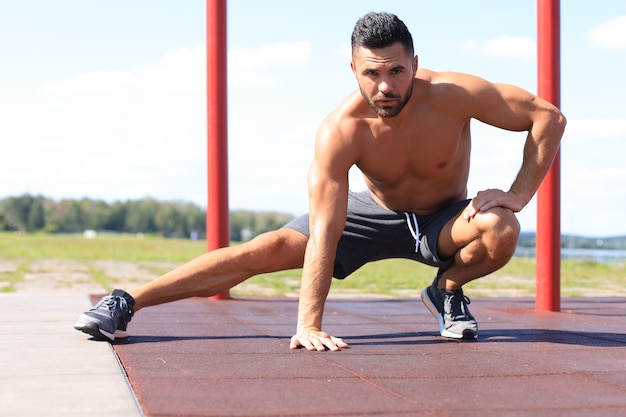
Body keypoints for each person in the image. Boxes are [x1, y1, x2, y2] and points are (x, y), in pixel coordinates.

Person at [75, 11, 565, 351]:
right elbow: (327, 230)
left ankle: (448, 289)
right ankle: (126, 302)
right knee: (264, 250)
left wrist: (518, 193)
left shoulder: (456, 94)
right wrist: (309, 322)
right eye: (373, 73)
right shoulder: (340, 131)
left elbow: (547, 118)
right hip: (372, 213)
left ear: (415, 63)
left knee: (502, 228)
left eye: (398, 70)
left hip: (443, 218)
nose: (387, 85)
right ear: (353, 68)